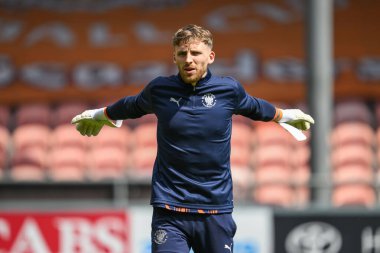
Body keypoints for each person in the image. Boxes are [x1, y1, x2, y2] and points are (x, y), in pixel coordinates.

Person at [72, 24, 314, 253]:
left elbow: (254, 106)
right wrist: (100, 114)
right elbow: (132, 105)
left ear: (210, 56)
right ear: (174, 58)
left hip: (215, 209)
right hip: (170, 208)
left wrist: (283, 116)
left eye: (196, 53)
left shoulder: (228, 90)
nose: (189, 59)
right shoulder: (159, 90)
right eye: (182, 53)